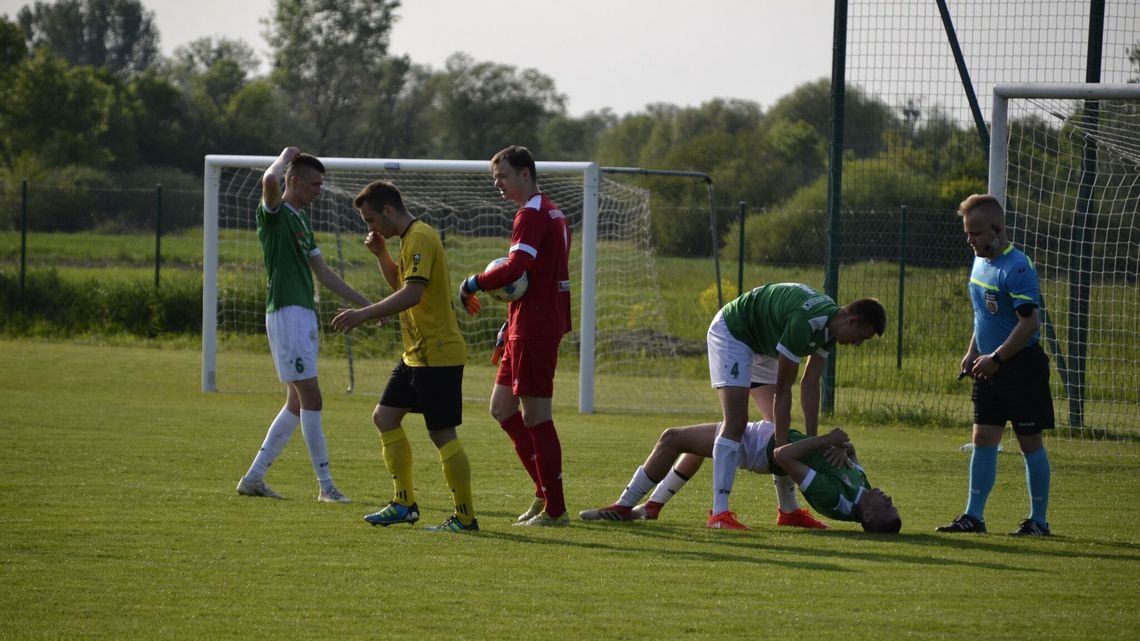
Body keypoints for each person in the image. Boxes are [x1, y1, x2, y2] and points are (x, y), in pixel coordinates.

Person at [331, 180, 476, 532]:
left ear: (389, 210)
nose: (371, 227)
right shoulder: (406, 240)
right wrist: (381, 254)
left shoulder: (421, 237)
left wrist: (363, 313)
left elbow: (412, 294)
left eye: (371, 220)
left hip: (438, 352)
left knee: (442, 434)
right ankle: (404, 503)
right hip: (415, 354)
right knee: (384, 417)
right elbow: (402, 285)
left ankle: (465, 517)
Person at [236, 147, 371, 503]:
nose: (318, 191)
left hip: (302, 315)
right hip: (286, 313)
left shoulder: (300, 221)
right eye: (313, 184)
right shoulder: (275, 213)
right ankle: (326, 486)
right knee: (312, 396)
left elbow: (324, 273)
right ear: (292, 181)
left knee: (296, 403)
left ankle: (253, 478)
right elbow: (268, 179)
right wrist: (283, 157)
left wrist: (370, 306)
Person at [703, 283, 887, 530]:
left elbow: (810, 383)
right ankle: (719, 514)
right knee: (737, 422)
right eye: (862, 337)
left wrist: (813, 442)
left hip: (763, 344)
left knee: (783, 432)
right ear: (853, 321)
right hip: (735, 331)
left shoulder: (829, 331)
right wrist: (781, 448)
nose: (858, 344)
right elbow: (783, 388)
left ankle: (788, 512)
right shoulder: (807, 322)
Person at [458, 145, 572, 527]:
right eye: (495, 178)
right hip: (526, 324)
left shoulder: (532, 213)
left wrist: (472, 283)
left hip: (536, 328)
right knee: (502, 408)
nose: (498, 184)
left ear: (525, 173)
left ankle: (555, 509)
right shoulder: (552, 210)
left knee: (537, 417)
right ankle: (543, 493)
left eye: (503, 176)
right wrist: (510, 319)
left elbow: (516, 268)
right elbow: (532, 279)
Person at [937, 194, 1053, 536]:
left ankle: (1039, 521)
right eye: (967, 233)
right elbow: (982, 317)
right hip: (987, 366)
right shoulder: (979, 262)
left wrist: (997, 358)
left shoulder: (1017, 267)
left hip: (1020, 367)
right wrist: (973, 352)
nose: (969, 240)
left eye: (975, 233)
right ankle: (974, 517)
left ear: (997, 229)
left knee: (1029, 441)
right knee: (984, 438)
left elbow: (1028, 324)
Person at [579, 421, 901, 534]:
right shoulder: (864, 491)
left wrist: (826, 438)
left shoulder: (836, 499)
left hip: (758, 446)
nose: (889, 499)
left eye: (887, 508)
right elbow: (849, 452)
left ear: (869, 515)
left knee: (671, 438)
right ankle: (653, 506)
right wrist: (843, 447)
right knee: (696, 445)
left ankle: (625, 505)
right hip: (762, 436)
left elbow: (783, 456)